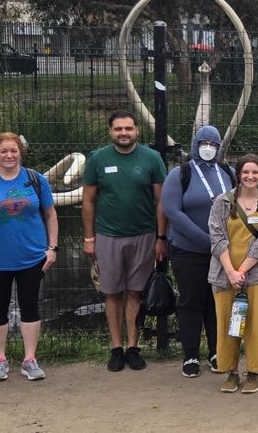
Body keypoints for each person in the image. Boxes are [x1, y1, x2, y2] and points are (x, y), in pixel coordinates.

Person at [0, 133, 56, 383]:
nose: (9, 155)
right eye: (4, 151)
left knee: (30, 305)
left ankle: (29, 359)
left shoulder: (35, 180)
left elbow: (50, 214)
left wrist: (52, 248)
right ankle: (0, 360)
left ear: (20, 153)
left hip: (32, 256)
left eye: (13, 151)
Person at [82, 110, 168, 372]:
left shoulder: (152, 158)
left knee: (135, 292)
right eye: (118, 129)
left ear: (137, 131)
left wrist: (161, 237)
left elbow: (161, 201)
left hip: (144, 235)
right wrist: (89, 238)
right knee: (112, 292)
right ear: (111, 132)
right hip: (108, 236)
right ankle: (116, 348)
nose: (124, 133)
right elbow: (88, 201)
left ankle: (133, 346)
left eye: (128, 128)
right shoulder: (98, 159)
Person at [162, 125, 235, 377]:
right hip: (188, 250)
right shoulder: (179, 174)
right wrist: (205, 240)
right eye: (204, 143)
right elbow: (172, 211)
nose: (208, 148)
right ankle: (191, 354)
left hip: (222, 252)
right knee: (190, 302)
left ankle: (216, 352)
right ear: (195, 144)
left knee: (217, 302)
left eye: (213, 144)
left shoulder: (228, 172)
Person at [207, 155, 258, 394]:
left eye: (255, 173)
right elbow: (217, 238)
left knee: (254, 325)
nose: (250, 177)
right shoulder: (222, 202)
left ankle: (253, 372)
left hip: (255, 274)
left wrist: (243, 271)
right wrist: (230, 271)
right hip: (224, 273)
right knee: (227, 323)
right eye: (246, 172)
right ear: (238, 174)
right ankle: (230, 371)